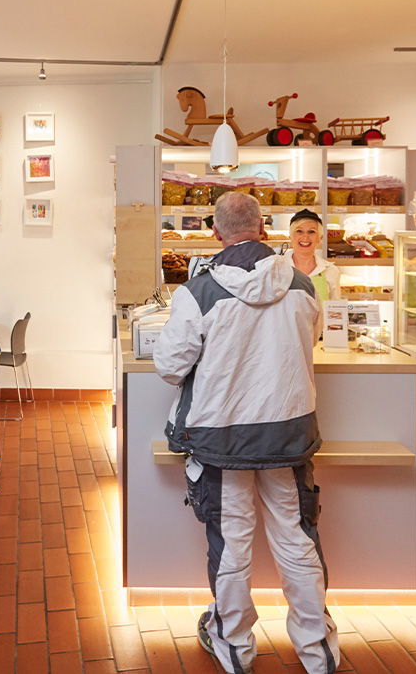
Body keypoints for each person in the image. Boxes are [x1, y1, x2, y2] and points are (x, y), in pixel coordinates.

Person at [154, 192, 339, 674]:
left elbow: (171, 367)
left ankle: (234, 648)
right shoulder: (301, 284)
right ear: (264, 228)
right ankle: (317, 651)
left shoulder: (197, 293)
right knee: (296, 537)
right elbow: (313, 340)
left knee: (231, 541)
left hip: (220, 438)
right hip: (288, 433)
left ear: (215, 232)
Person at [284, 209, 342, 301]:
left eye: (311, 232)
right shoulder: (277, 268)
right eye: (299, 231)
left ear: (320, 238)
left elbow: (335, 310)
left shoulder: (330, 271)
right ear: (291, 236)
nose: (305, 237)